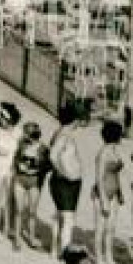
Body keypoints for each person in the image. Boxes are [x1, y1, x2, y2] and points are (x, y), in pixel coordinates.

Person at [47, 102, 86, 255]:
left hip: (61, 181)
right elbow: (53, 156)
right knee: (68, 219)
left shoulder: (59, 132)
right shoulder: (64, 135)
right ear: (75, 120)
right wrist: (65, 173)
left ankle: (54, 249)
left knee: (59, 215)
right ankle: (64, 252)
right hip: (66, 182)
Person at [91, 119, 127, 264]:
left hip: (114, 191)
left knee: (111, 228)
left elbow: (116, 174)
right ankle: (99, 259)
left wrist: (120, 192)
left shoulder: (115, 151)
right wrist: (104, 199)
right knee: (100, 228)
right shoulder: (104, 153)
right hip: (102, 192)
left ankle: (109, 257)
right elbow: (98, 178)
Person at [0, 102, 22, 239]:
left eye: (3, 117)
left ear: (10, 119)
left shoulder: (19, 133)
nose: (0, 119)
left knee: (7, 200)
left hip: (10, 169)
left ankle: (7, 227)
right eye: (0, 116)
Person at [13, 120, 50, 251]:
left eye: (26, 133)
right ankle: (17, 238)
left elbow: (47, 167)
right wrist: (20, 167)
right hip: (20, 180)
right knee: (19, 210)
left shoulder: (43, 149)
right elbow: (15, 161)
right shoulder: (21, 145)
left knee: (32, 212)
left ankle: (31, 237)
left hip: (34, 182)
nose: (24, 136)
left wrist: (36, 171)